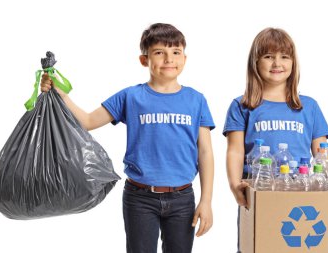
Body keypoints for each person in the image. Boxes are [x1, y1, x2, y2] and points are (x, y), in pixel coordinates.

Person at [41, 23, 214, 253]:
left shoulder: (197, 100)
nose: (168, 59)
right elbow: (88, 121)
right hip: (139, 198)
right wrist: (60, 94)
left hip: (182, 198)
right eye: (159, 52)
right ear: (144, 60)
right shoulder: (131, 97)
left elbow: (205, 152)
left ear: (184, 58)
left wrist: (206, 200)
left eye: (175, 52)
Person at [223, 27, 328, 253]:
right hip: (259, 190)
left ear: (293, 63)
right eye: (268, 56)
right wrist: (235, 185)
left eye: (284, 57)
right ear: (255, 62)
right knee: (256, 245)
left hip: (300, 191)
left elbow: (322, 151)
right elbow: (234, 151)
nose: (277, 63)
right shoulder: (242, 106)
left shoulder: (307, 106)